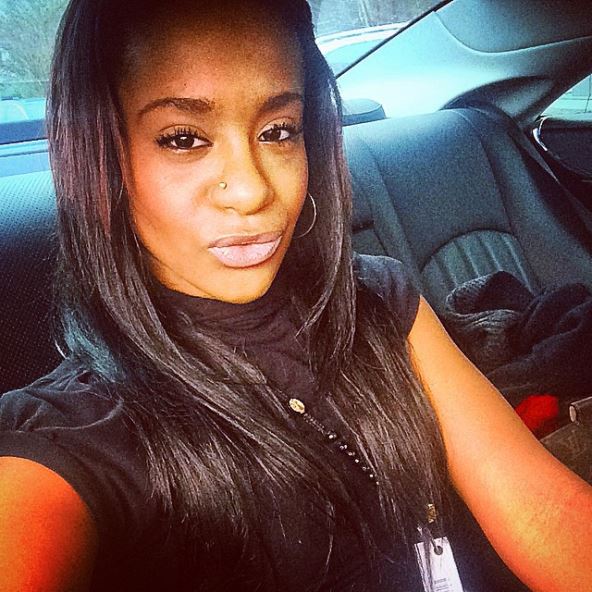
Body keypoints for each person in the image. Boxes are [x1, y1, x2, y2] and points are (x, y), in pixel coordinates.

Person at [0, 1, 590, 590]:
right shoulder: (69, 436)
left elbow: (542, 510)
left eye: (278, 131)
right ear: (103, 159)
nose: (253, 190)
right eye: (183, 138)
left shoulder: (376, 300)